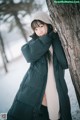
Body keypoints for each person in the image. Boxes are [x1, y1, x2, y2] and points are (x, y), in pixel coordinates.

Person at [7, 11, 72, 120]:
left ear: (47, 24)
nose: (39, 31)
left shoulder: (55, 39)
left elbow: (64, 63)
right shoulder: (35, 42)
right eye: (36, 29)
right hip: (34, 83)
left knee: (56, 113)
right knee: (33, 112)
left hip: (55, 83)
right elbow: (28, 54)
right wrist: (47, 39)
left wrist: (53, 38)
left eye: (41, 26)